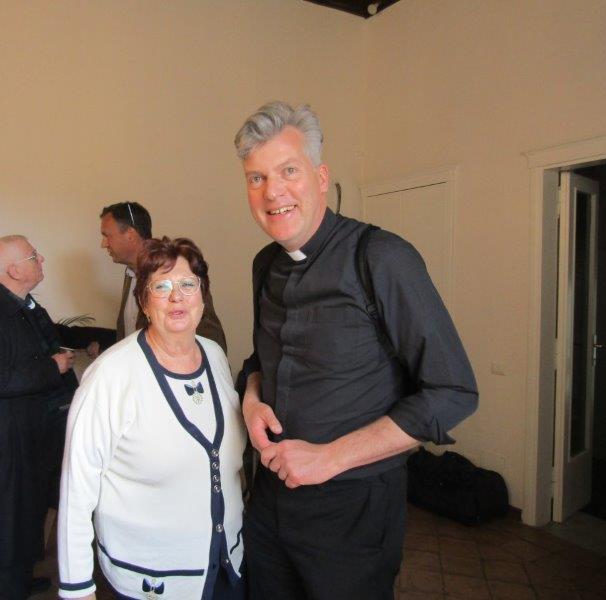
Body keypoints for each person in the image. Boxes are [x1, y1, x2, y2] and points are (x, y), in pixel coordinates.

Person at [234, 101, 479, 599]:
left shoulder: (382, 258)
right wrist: (252, 399)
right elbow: (263, 360)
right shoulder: (264, 265)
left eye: (288, 171)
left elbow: (453, 391)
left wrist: (329, 458)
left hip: (354, 513)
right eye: (256, 178)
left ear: (321, 177)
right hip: (269, 504)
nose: (272, 191)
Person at [58, 237, 246, 600]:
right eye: (161, 287)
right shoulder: (110, 375)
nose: (177, 297)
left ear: (203, 297)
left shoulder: (215, 356)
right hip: (151, 582)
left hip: (226, 566)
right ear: (144, 303)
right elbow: (77, 490)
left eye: (188, 284)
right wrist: (77, 588)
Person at [0, 235, 81, 599]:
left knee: (28, 514)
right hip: (8, 443)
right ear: (13, 270)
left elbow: (47, 339)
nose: (41, 259)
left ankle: (22, 582)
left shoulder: (23, 307)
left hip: (31, 435)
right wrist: (51, 368)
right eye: (33, 256)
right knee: (9, 524)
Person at [100, 202, 228, 351]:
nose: (103, 244)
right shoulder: (130, 274)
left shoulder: (175, 273)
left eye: (107, 235)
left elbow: (211, 335)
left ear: (131, 235)